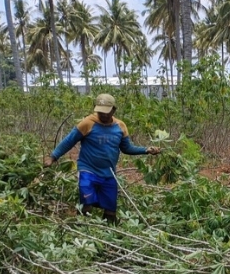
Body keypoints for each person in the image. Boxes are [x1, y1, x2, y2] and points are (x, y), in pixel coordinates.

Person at [43, 93, 160, 223]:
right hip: (88, 169)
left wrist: (146, 150)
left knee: (110, 210)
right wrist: (53, 157)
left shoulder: (120, 127)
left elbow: (127, 148)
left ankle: (107, 235)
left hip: (109, 173)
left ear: (114, 110)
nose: (103, 115)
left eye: (107, 112)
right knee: (86, 203)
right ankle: (82, 228)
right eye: (100, 112)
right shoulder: (87, 123)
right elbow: (69, 141)